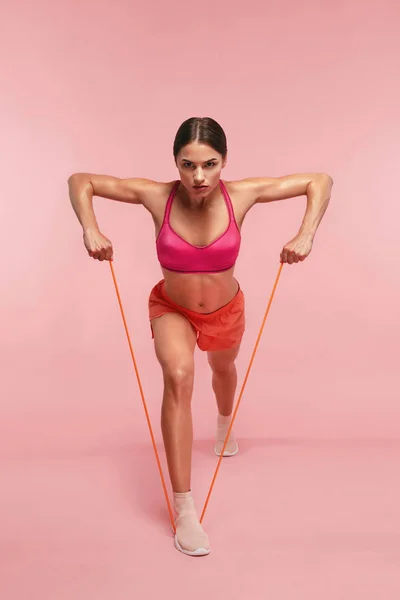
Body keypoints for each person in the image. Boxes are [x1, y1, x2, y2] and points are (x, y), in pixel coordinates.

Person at [68, 116, 333, 557]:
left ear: (224, 161)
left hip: (227, 310)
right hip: (172, 308)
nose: (199, 177)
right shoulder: (157, 195)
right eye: (187, 165)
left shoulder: (242, 194)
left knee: (222, 368)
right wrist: (89, 227)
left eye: (209, 164)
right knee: (178, 375)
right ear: (175, 163)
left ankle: (225, 425)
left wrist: (305, 234)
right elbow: (82, 180)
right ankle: (185, 508)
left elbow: (318, 180)